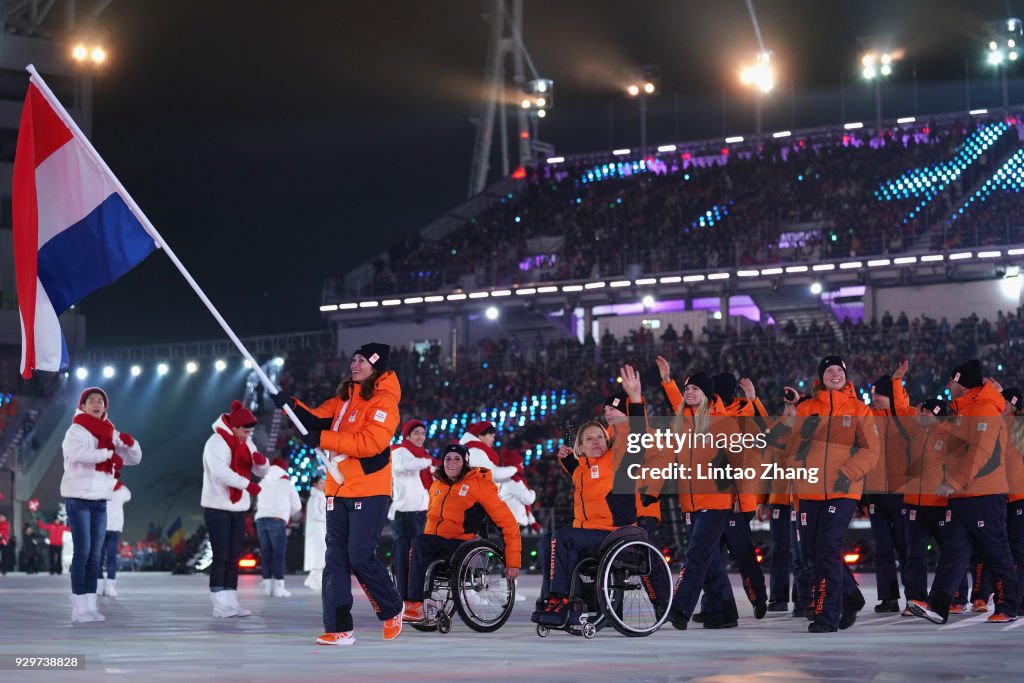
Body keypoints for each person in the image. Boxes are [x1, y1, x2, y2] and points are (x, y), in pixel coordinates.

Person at [273, 342, 405, 645]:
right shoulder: (344, 399)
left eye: (361, 361)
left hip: (369, 490)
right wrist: (288, 405)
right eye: (353, 359)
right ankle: (339, 628)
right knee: (334, 560)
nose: (354, 365)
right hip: (337, 489)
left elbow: (370, 443)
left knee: (359, 555)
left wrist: (323, 438)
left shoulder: (384, 402)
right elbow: (316, 419)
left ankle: (391, 606)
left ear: (376, 366)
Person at [532, 365, 649, 626]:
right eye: (589, 439)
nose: (596, 441)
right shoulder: (583, 469)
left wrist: (635, 399)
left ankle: (558, 600)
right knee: (547, 540)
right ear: (581, 447)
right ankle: (566, 603)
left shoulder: (619, 461)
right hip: (588, 533)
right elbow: (578, 471)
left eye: (600, 437)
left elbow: (638, 438)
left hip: (614, 532)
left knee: (561, 537)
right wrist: (566, 459)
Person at [908, 360, 1020, 624]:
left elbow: (980, 453)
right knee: (954, 552)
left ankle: (1009, 605)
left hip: (984, 493)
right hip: (962, 496)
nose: (948, 385)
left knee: (996, 550)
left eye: (952, 380)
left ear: (962, 382)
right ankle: (938, 605)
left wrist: (953, 482)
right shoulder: (964, 412)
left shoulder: (983, 409)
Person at [776, 356, 879, 633]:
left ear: (846, 376)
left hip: (842, 491)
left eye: (839, 370)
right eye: (829, 371)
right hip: (808, 492)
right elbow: (791, 448)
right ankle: (851, 596)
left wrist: (848, 473)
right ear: (821, 377)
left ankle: (827, 615)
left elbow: (871, 451)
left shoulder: (860, 410)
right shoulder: (806, 409)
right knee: (812, 552)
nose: (835, 374)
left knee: (827, 549)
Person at [402, 443, 522, 622]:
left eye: (457, 459)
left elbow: (507, 522)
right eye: (448, 459)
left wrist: (513, 560)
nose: (452, 462)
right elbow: (432, 521)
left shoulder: (480, 485)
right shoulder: (437, 486)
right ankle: (405, 602)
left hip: (463, 546)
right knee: (402, 544)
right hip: (436, 544)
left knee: (420, 542)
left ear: (465, 462)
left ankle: (416, 602)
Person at [61, 387, 142, 623]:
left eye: (100, 401)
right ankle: (79, 605)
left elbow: (134, 459)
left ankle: (90, 605)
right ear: (83, 406)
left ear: (105, 407)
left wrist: (131, 443)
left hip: (100, 501)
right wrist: (107, 454)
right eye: (91, 400)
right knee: (83, 552)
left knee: (96, 556)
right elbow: (77, 454)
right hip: (79, 498)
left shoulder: (110, 431)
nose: (96, 404)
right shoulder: (75, 430)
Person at [200, 399, 269, 618]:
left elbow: (261, 472)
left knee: (233, 555)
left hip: (239, 507)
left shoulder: (247, 443)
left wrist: (261, 463)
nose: (248, 435)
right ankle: (219, 601)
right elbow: (219, 472)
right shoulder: (216, 442)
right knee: (221, 554)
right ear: (235, 427)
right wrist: (246, 484)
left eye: (250, 432)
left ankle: (231, 600)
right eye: (245, 431)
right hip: (217, 507)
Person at [903, 398, 969, 615]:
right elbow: (900, 410)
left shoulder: (949, 435)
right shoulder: (914, 431)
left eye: (926, 412)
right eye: (921, 411)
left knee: (949, 552)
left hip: (940, 503)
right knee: (915, 554)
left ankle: (956, 597)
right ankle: (915, 599)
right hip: (914, 501)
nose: (921, 415)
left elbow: (963, 463)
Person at [865, 361, 916, 613]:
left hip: (900, 492)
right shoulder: (868, 419)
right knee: (882, 547)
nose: (875, 399)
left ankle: (914, 596)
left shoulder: (904, 417)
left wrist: (897, 381)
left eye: (879, 395)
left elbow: (901, 407)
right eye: (873, 394)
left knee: (905, 546)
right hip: (876, 493)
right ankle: (888, 598)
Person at [389, 419, 433, 603]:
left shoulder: (422, 455)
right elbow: (401, 467)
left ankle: (412, 596)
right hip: (404, 514)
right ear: (407, 435)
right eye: (416, 433)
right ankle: (405, 597)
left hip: (421, 513)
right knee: (407, 559)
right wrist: (427, 461)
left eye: (423, 433)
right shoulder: (399, 451)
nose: (420, 437)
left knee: (416, 559)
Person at [256, 457, 302, 597]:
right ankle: (279, 587)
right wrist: (287, 514)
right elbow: (297, 506)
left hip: (261, 520)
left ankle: (267, 586)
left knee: (266, 553)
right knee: (279, 554)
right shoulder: (287, 483)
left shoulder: (262, 481)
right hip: (276, 520)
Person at [1002, 387, 1024, 616]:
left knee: (1017, 549)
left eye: (1004, 401)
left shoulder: (1017, 425)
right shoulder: (1004, 423)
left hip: (1019, 496)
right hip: (1006, 496)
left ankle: (1017, 598)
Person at [99, 471, 131, 597]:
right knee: (111, 558)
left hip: (102, 526)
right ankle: (110, 587)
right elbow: (129, 495)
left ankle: (99, 586)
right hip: (114, 527)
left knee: (99, 558)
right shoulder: (122, 490)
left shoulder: (100, 488)